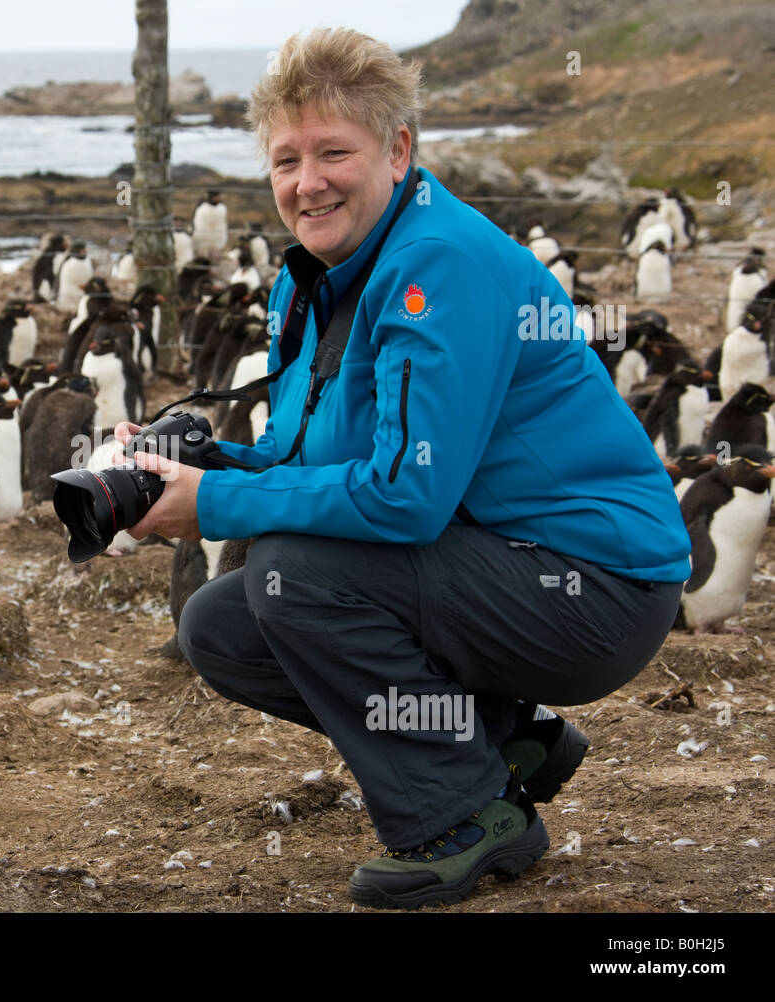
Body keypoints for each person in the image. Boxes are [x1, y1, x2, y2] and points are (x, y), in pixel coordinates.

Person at [113, 27, 690, 910]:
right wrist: (190, 465)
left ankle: (463, 818)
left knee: (290, 574)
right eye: (286, 160)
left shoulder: (439, 265)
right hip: (497, 561)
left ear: (399, 150)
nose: (308, 182)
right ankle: (499, 738)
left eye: (334, 151)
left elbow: (406, 495)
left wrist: (221, 502)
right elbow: (322, 460)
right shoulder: (316, 277)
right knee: (220, 626)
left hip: (596, 585)